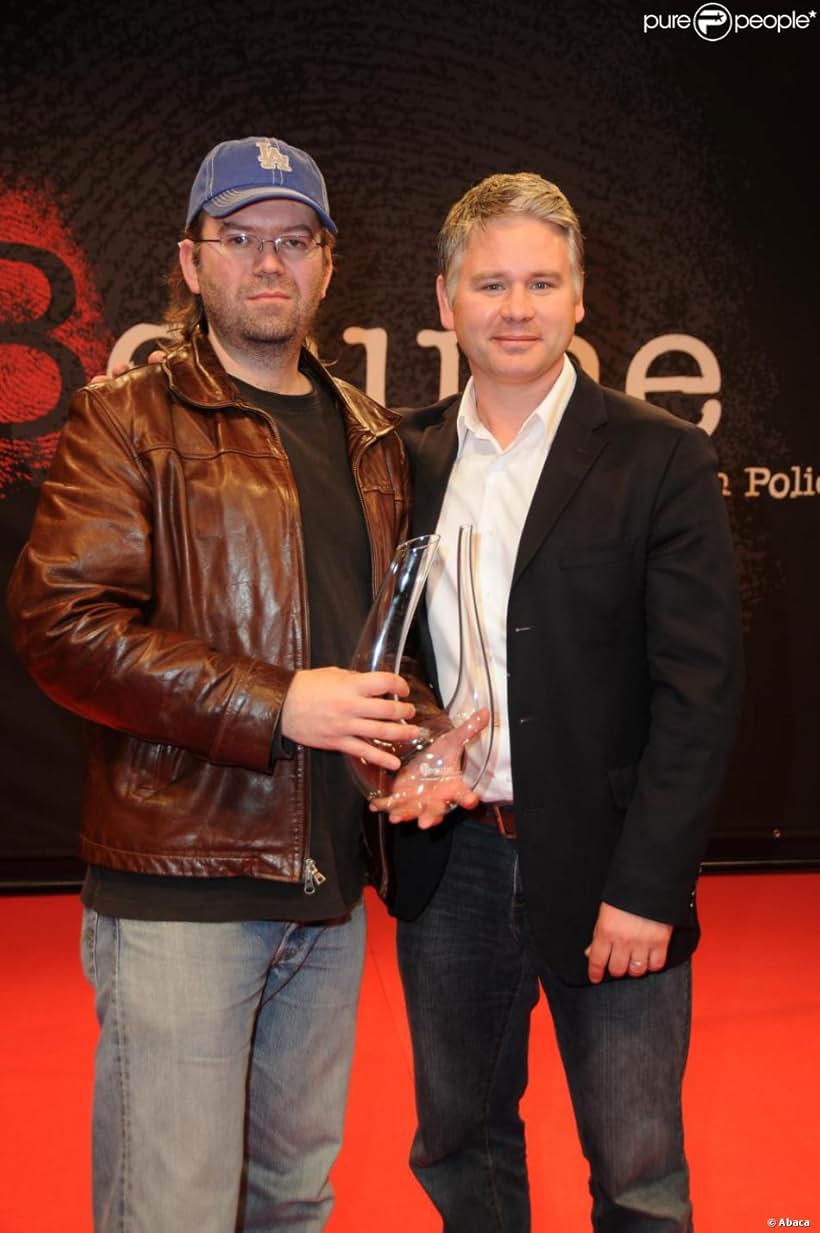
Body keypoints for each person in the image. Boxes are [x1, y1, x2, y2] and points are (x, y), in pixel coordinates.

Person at [6, 135, 432, 1233]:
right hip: (180, 886)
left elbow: (378, 651)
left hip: (328, 887)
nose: (268, 263)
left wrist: (426, 735)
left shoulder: (372, 435)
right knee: (175, 1211)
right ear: (191, 264)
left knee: (293, 1202)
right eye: (238, 239)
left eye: (293, 240)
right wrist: (274, 701)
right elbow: (60, 626)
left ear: (329, 264)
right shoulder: (124, 418)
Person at [381, 173, 743, 1231]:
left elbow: (699, 694)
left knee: (636, 1178)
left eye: (543, 281)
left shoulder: (659, 456)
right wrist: (402, 744)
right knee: (458, 1146)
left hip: (609, 866)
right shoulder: (397, 458)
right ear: (444, 302)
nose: (516, 307)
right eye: (489, 283)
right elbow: (377, 652)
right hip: (451, 862)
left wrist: (649, 889)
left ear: (581, 298)